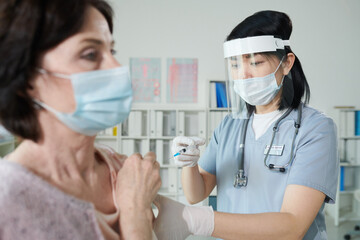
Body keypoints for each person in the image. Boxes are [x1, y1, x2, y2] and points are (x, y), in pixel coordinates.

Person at [154, 10, 339, 240]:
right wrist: (188, 164)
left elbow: (292, 226)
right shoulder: (229, 126)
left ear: (286, 63)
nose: (244, 75)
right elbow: (196, 193)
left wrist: (198, 220)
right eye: (234, 65)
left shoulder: (315, 129)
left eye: (256, 62)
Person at [0, 0, 161, 239]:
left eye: (112, 51)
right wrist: (134, 212)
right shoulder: (8, 201)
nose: (116, 67)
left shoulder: (121, 167)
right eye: (90, 54)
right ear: (27, 79)